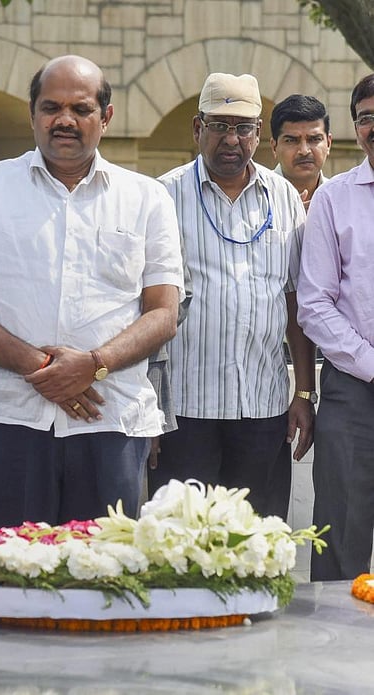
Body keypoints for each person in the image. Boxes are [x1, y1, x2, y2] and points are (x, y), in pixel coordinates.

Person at [0, 55, 184, 528]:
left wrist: (93, 366)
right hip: (3, 418)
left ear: (106, 116)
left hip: (108, 416)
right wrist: (44, 368)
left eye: (80, 108)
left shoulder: (146, 197)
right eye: (51, 107)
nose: (64, 120)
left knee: (100, 582)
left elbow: (163, 313)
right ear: (34, 113)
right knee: (2, 580)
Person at [149, 73, 316, 518]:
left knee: (256, 541)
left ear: (258, 134)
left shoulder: (282, 195)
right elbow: (144, 307)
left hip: (262, 407)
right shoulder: (163, 195)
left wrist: (303, 394)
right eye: (219, 125)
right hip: (185, 409)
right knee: (180, 545)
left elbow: (294, 301)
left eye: (243, 127)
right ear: (196, 128)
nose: (231, 139)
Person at [297, 74, 374, 580]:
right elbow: (313, 304)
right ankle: (330, 656)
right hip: (353, 389)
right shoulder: (334, 199)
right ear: (355, 128)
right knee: (340, 534)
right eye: (366, 118)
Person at [270, 94, 332, 209]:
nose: (304, 151)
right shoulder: (258, 198)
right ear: (274, 147)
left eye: (314, 139)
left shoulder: (342, 198)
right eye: (291, 140)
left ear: (328, 143)